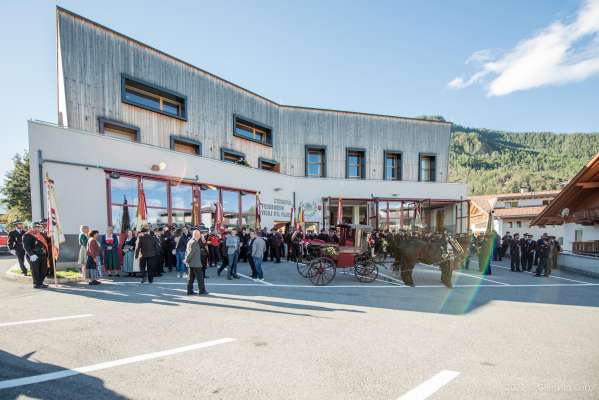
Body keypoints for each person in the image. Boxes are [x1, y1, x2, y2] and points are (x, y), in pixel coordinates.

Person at [22, 221, 49, 289]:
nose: (37, 228)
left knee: (44, 270)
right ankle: (36, 284)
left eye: (39, 227)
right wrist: (31, 254)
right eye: (35, 227)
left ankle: (41, 282)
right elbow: (26, 246)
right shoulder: (27, 235)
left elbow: (47, 241)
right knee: (35, 270)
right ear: (31, 227)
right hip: (34, 255)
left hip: (42, 254)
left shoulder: (42, 234)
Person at [185, 230, 208, 295]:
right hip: (196, 263)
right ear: (196, 235)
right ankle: (202, 291)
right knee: (200, 278)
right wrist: (186, 259)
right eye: (199, 234)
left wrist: (187, 260)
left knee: (190, 278)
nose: (200, 236)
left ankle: (189, 291)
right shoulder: (194, 242)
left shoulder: (190, 241)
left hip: (191, 263)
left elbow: (187, 252)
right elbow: (191, 253)